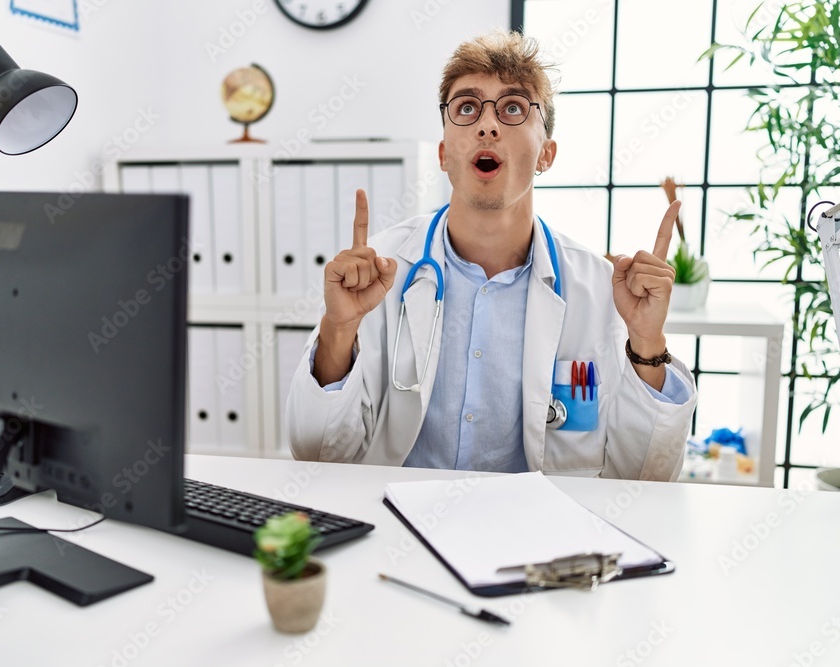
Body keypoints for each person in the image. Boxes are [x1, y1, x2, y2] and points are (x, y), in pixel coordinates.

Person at [286, 30, 697, 480]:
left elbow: (646, 479)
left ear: (546, 154)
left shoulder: (600, 290)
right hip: (396, 529)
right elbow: (317, 457)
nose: (487, 124)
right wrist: (339, 330)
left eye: (513, 108)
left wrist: (647, 344)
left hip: (537, 538)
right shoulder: (380, 270)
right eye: (466, 107)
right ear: (444, 153)